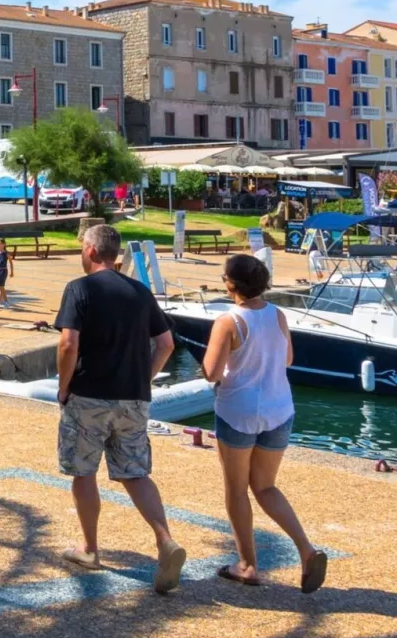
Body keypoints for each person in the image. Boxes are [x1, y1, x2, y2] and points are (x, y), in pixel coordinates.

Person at [55, 224, 186, 595]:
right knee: (134, 473)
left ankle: (90, 549)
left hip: (89, 396)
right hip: (133, 397)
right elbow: (166, 343)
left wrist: (64, 387)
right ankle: (164, 539)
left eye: (83, 247)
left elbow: (68, 344)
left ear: (93, 251)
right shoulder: (140, 292)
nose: (81, 252)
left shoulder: (79, 289)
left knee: (83, 472)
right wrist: (142, 378)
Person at [203, 254, 328, 593]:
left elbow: (212, 372)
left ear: (231, 284)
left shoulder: (228, 321)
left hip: (238, 411)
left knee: (237, 488)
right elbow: (287, 358)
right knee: (266, 487)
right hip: (279, 409)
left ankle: (247, 564)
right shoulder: (278, 315)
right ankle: (305, 548)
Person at [0, 237, 13, 307]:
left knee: (0, 287)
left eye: (1, 244)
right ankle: (7, 302)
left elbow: (11, 262)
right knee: (1, 287)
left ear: (4, 244)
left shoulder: (6, 253)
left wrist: (12, 272)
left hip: (3, 271)